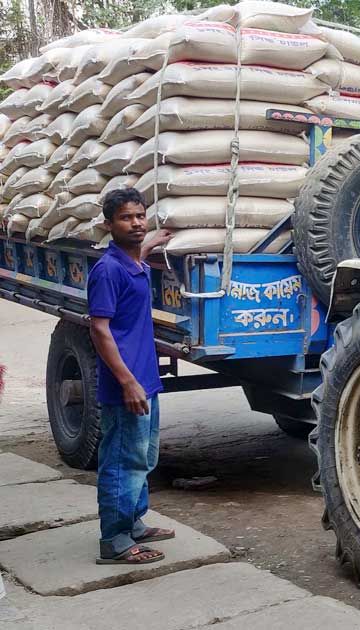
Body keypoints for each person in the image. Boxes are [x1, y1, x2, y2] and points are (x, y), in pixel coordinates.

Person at [88, 188, 174, 564]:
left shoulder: (133, 262)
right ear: (108, 224)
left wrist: (151, 244)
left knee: (144, 456)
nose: (137, 223)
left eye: (140, 216)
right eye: (126, 218)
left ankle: (134, 522)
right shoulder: (107, 271)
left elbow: (139, 253)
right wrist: (127, 381)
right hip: (127, 385)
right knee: (123, 460)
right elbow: (100, 330)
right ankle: (114, 540)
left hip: (145, 379)